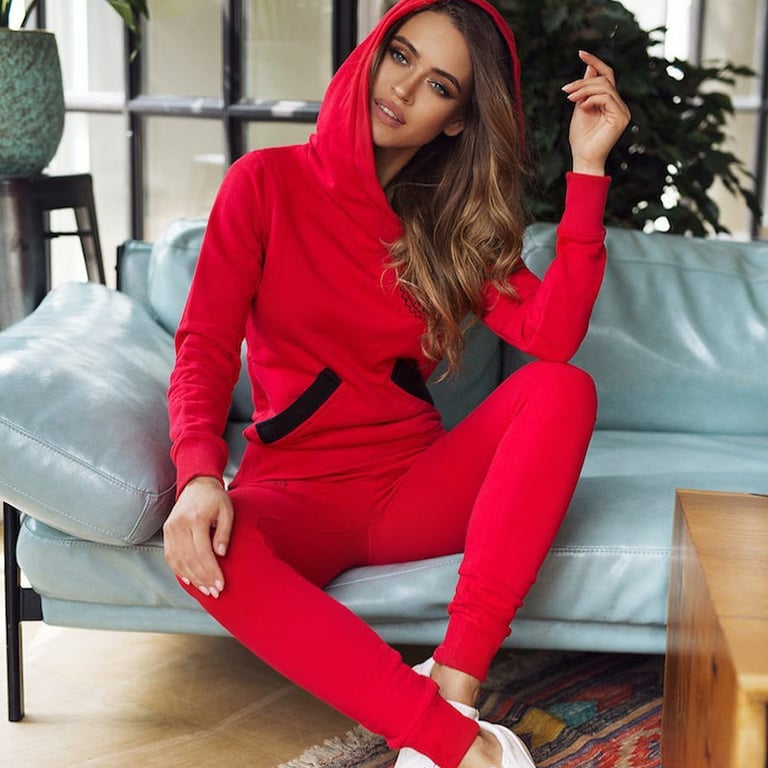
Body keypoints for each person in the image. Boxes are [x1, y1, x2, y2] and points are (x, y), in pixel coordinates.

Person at [162, 1, 631, 766]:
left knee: (562, 388)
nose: (405, 89)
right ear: (373, 52)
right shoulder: (265, 183)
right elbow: (205, 347)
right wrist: (197, 476)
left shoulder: (444, 225)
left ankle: (455, 678)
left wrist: (588, 168)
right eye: (401, 56)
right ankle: (458, 744)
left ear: (456, 120)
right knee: (212, 551)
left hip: (411, 487)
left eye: (440, 85)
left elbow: (553, 337)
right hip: (297, 488)